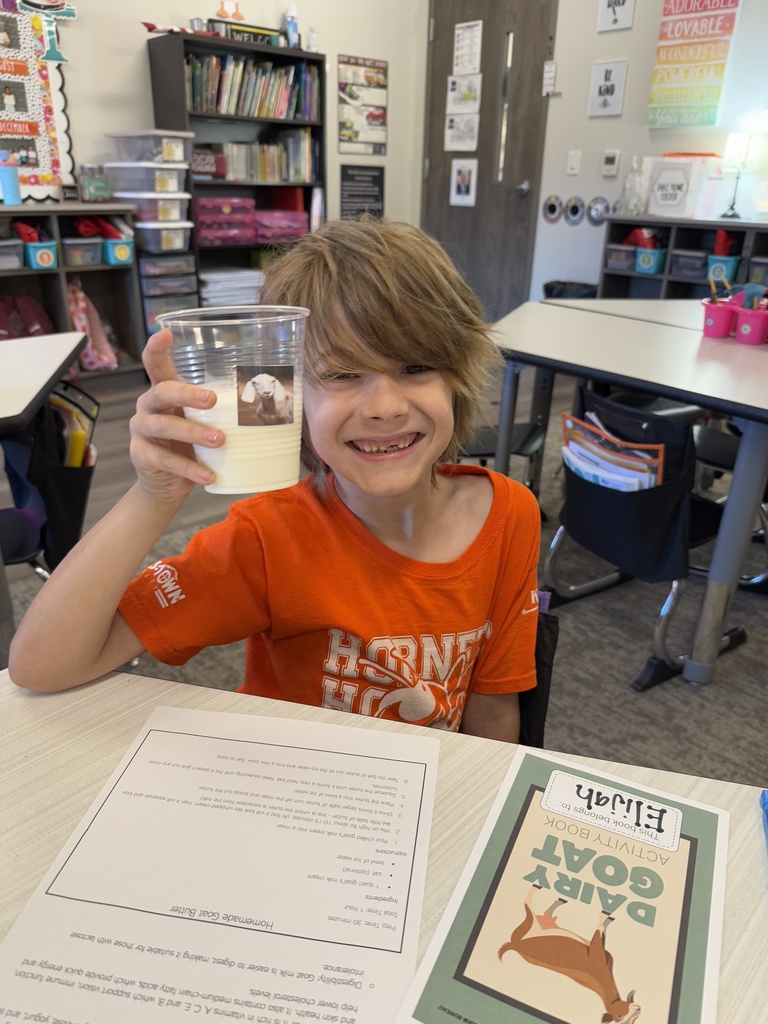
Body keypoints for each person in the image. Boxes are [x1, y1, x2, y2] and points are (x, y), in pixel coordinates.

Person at [9, 218, 541, 742]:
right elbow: (42, 666)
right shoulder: (268, 539)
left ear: (457, 376)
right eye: (340, 374)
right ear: (286, 400)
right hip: (294, 791)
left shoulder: (509, 515)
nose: (384, 407)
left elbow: (493, 710)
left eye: (416, 366)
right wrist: (154, 496)